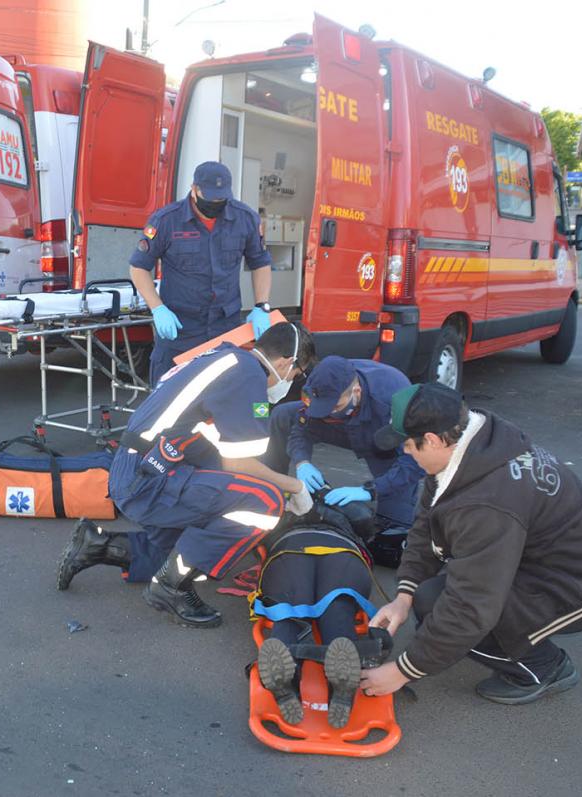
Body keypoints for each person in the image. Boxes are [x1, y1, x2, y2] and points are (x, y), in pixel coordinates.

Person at [359, 383, 582, 705]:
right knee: (427, 599)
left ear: (431, 439)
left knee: (449, 611)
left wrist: (403, 671)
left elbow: (471, 607)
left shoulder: (487, 503)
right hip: (537, 558)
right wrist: (404, 596)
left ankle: (544, 668)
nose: (404, 451)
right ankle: (516, 638)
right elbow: (426, 526)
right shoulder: (471, 444)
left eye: (408, 445)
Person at [57, 322, 318, 628]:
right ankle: (170, 588)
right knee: (265, 500)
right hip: (148, 476)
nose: (292, 381)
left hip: (138, 468)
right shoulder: (248, 376)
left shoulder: (226, 359)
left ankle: (96, 545)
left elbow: (214, 447)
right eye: (297, 374)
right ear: (286, 363)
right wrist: (295, 487)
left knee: (184, 550)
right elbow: (239, 463)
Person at [264, 356, 425, 567]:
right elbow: (300, 429)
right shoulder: (316, 390)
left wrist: (371, 490)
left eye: (335, 405)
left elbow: (414, 462)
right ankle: (270, 489)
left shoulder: (392, 398)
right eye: (322, 406)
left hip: (381, 443)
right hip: (337, 430)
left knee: (390, 540)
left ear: (356, 392)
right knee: (282, 414)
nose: (328, 411)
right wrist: (302, 462)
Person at [129, 161, 273, 385]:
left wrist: (261, 305)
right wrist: (157, 308)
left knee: (222, 396)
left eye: (221, 198)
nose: (216, 203)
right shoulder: (166, 220)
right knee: (169, 397)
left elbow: (260, 262)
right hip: (180, 328)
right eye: (211, 197)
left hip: (226, 327)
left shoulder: (245, 219)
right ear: (194, 189)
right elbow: (139, 267)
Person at [253, 505, 393, 728]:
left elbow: (254, 531)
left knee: (290, 609)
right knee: (338, 609)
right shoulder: (347, 507)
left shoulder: (280, 501)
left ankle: (287, 679)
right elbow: (368, 528)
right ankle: (341, 687)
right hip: (343, 551)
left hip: (289, 547)